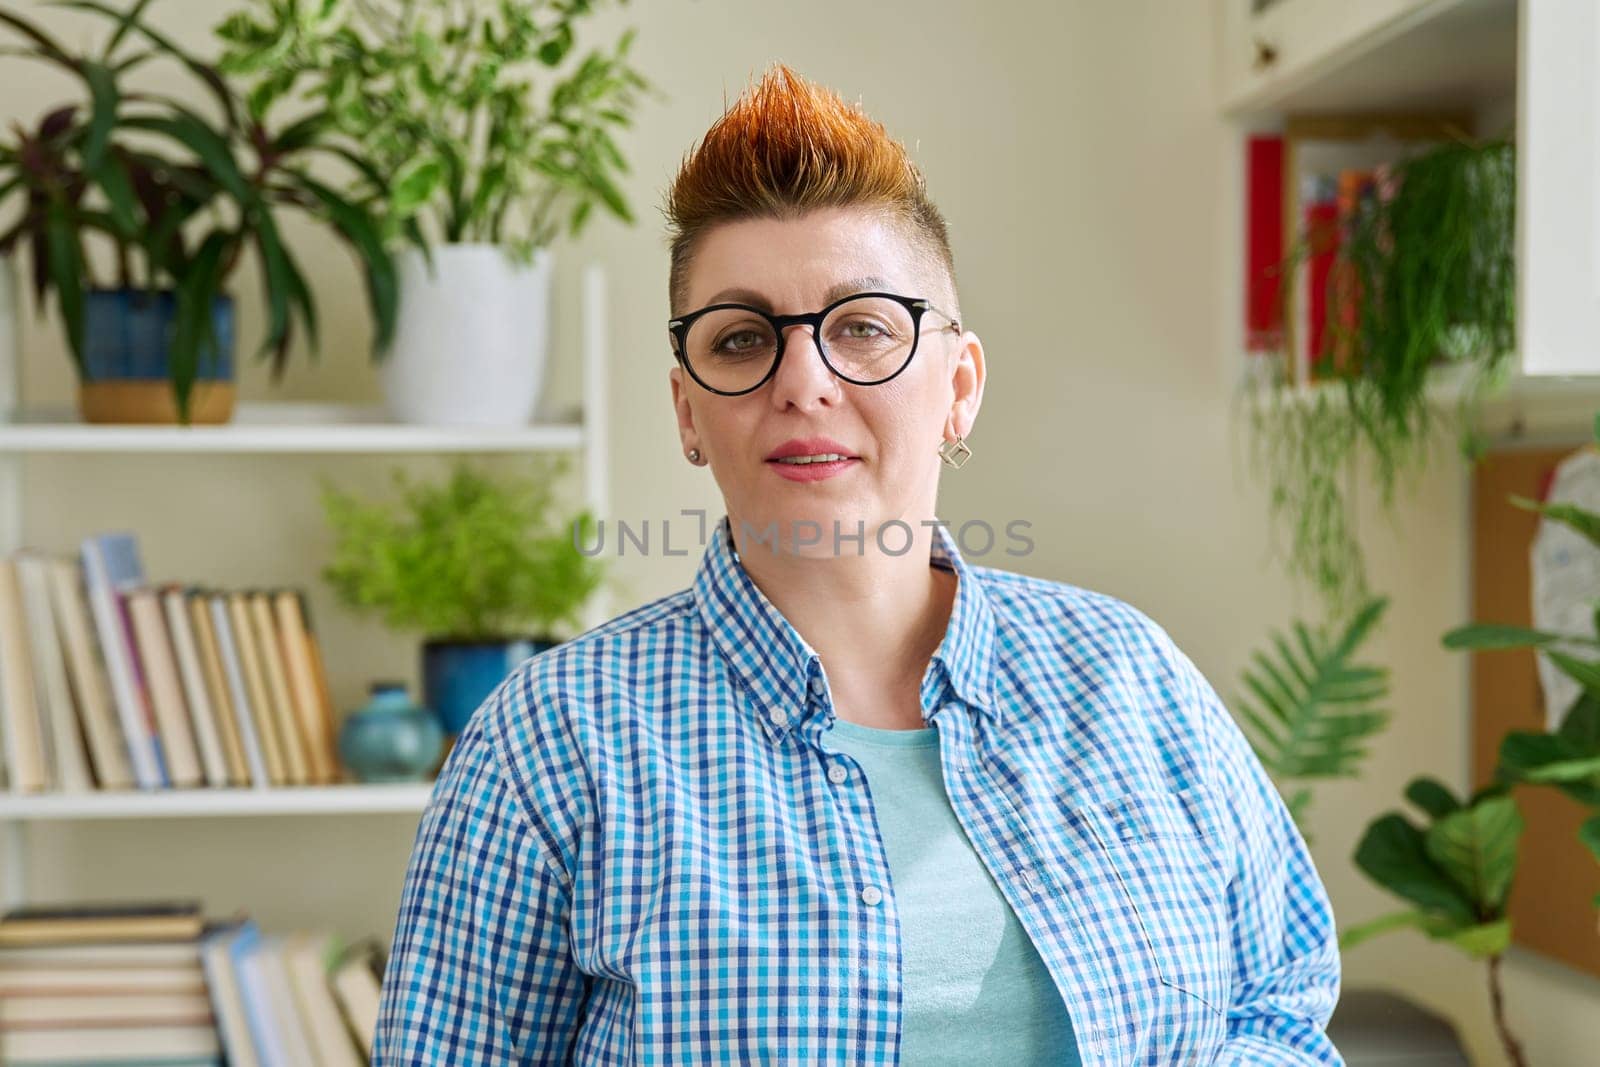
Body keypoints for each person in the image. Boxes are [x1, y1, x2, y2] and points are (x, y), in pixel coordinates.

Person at [372, 62, 1342, 1066]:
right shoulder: (548, 742)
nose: (803, 381)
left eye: (863, 327)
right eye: (743, 338)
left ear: (957, 385)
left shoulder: (1130, 678)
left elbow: (1280, 1003)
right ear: (687, 411)